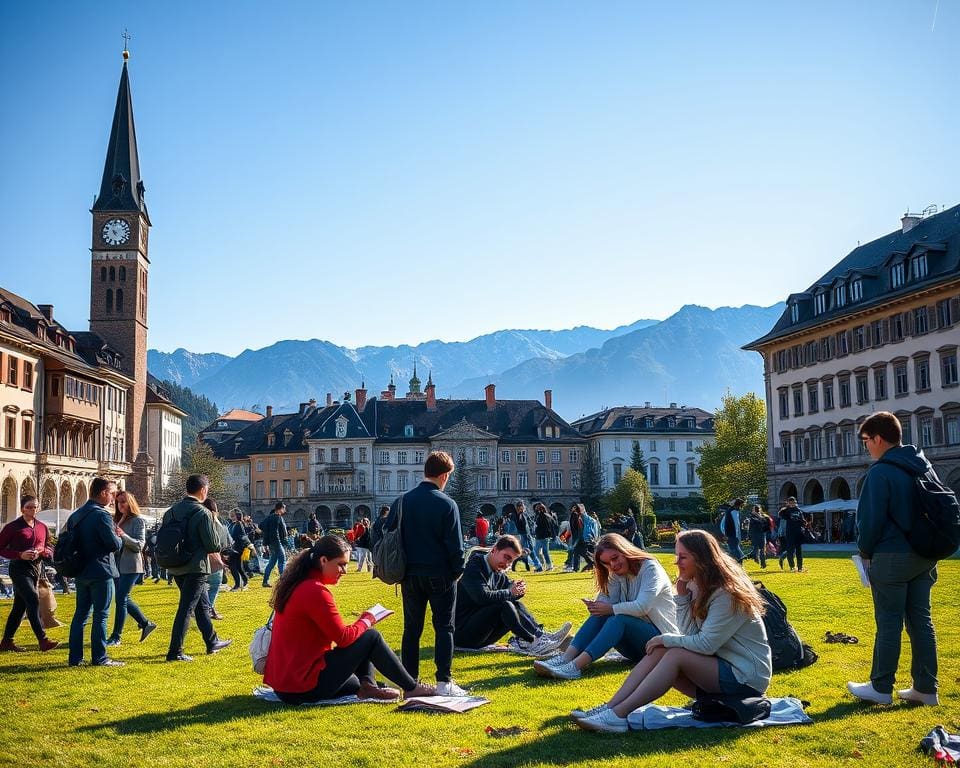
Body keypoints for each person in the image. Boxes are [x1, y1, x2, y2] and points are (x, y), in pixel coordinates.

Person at [573, 529, 772, 732]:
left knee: (674, 653)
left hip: (746, 680)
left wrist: (666, 639)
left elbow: (706, 644)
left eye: (682, 557)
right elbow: (688, 634)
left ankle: (618, 715)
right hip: (720, 673)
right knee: (662, 650)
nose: (676, 562)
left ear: (701, 558)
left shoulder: (727, 594)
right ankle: (611, 708)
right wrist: (683, 598)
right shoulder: (698, 586)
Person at [264, 535, 438, 703]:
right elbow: (343, 638)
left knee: (355, 679)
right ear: (323, 560)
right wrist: (367, 619)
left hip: (285, 686)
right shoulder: (315, 591)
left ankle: (368, 686)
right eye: (341, 565)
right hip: (302, 685)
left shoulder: (298, 585)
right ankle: (411, 687)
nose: (344, 571)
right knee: (371, 636)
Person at [847, 411, 941, 706]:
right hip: (924, 554)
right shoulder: (923, 466)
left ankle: (881, 686)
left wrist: (865, 553)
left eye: (866, 440)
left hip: (891, 555)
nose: (866, 446)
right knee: (921, 621)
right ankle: (926, 688)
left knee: (889, 621)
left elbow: (869, 522)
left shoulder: (880, 472)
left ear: (877, 438)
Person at [534, 533, 678, 680]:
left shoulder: (650, 568)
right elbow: (608, 602)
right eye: (606, 563)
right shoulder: (618, 573)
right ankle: (565, 658)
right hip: (636, 649)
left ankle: (575, 667)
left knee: (619, 619)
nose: (613, 565)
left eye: (615, 558)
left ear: (625, 551)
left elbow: (642, 607)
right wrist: (596, 606)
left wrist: (610, 609)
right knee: (602, 615)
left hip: (662, 644)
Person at [385, 450, 467, 696]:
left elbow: (386, 532)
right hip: (440, 573)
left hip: (410, 574)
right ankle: (444, 681)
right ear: (444, 476)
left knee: (411, 629)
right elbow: (456, 546)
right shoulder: (447, 504)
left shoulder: (402, 501)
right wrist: (457, 571)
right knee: (444, 627)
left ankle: (410, 683)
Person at [454, 535, 571, 654]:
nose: (507, 564)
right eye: (506, 557)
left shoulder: (497, 570)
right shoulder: (473, 567)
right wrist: (511, 592)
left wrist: (518, 589)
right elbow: (482, 597)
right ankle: (532, 641)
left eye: (511, 562)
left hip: (481, 635)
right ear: (494, 550)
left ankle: (540, 635)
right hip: (462, 635)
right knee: (503, 605)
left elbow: (509, 591)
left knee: (515, 604)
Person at [163, 474, 232, 662]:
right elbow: (213, 545)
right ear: (203, 490)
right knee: (186, 608)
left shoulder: (171, 511)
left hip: (176, 565)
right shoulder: (202, 512)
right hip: (196, 567)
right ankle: (175, 651)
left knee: (202, 606)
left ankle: (212, 641)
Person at [67, 477, 124, 667]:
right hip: (101, 570)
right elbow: (113, 544)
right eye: (112, 493)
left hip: (81, 569)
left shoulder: (77, 514)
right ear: (103, 493)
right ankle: (100, 657)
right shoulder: (102, 515)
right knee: (101, 615)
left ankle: (75, 658)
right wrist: (119, 538)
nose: (113, 498)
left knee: (80, 615)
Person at [0, 495, 60, 653]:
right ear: (22, 509)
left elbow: (48, 546)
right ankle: (43, 640)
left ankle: (6, 641)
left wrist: (42, 551)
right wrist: (20, 554)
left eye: (35, 507)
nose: (33, 510)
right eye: (29, 507)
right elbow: (1, 548)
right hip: (19, 569)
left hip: (35, 569)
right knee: (33, 599)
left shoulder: (42, 527)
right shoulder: (13, 527)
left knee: (19, 607)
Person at [106, 490, 157, 646]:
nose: (120, 505)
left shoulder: (137, 521)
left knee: (121, 599)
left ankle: (116, 636)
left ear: (130, 502)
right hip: (116, 565)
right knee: (123, 598)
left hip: (131, 565)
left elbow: (139, 545)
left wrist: (123, 535)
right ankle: (145, 623)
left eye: (123, 501)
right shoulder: (116, 520)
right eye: (118, 502)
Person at [203, 498, 231, 620]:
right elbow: (223, 544)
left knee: (201, 587)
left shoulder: (197, 520)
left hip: (199, 560)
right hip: (214, 559)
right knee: (214, 585)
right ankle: (208, 609)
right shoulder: (217, 524)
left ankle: (206, 609)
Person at [261, 502, 288, 587]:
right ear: (280, 509)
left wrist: (265, 543)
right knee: (282, 560)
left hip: (271, 543)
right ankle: (283, 582)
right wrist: (279, 542)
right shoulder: (277, 517)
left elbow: (261, 526)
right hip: (276, 542)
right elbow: (275, 532)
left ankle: (265, 581)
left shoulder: (269, 517)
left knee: (272, 562)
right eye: (284, 508)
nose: (284, 510)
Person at [778, 497, 808, 572]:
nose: (792, 504)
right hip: (790, 533)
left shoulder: (799, 510)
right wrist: (786, 508)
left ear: (795, 503)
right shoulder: (786, 510)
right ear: (788, 503)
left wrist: (804, 523)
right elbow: (780, 514)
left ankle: (800, 567)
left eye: (793, 502)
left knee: (799, 551)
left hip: (798, 533)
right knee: (790, 551)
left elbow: (802, 520)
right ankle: (792, 567)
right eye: (790, 503)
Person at [227, 509, 250, 591]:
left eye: (233, 515)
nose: (231, 517)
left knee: (233, 566)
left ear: (237, 515)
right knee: (238, 566)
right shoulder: (232, 524)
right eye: (231, 515)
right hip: (234, 547)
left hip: (238, 548)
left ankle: (237, 584)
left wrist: (248, 545)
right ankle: (244, 581)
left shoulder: (239, 524)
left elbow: (242, 536)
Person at [532, 503, 556, 572]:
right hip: (544, 536)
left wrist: (537, 532)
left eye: (537, 508)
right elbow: (553, 524)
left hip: (541, 536)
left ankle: (541, 566)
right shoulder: (546, 515)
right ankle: (548, 565)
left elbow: (544, 527)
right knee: (545, 552)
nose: (535, 510)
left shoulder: (542, 516)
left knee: (537, 552)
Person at [721, 498, 745, 564]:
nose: (731, 501)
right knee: (734, 549)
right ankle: (739, 561)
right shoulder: (734, 511)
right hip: (733, 534)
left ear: (735, 503)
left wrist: (727, 535)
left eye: (732, 500)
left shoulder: (731, 511)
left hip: (732, 535)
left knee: (733, 550)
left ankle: (739, 562)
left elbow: (732, 524)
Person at [747, 504, 769, 569]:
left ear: (755, 510)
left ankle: (757, 559)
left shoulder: (753, 517)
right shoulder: (762, 516)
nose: (752, 510)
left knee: (756, 549)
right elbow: (766, 526)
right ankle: (762, 563)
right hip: (760, 534)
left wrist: (749, 536)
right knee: (761, 549)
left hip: (756, 534)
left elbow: (751, 527)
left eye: (753, 509)